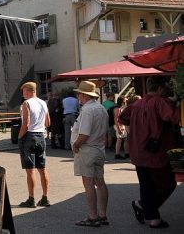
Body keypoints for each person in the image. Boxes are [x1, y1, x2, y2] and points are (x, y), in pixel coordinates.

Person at [118, 76, 180, 229]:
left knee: (146, 185)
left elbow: (122, 117)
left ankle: (152, 216)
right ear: (160, 88)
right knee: (168, 184)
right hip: (155, 153)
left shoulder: (138, 103)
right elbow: (175, 117)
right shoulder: (160, 102)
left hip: (138, 151)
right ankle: (147, 210)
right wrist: (173, 103)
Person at [71, 81, 109, 227]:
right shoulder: (101, 108)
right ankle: (103, 215)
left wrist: (76, 145)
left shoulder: (87, 110)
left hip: (87, 150)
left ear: (84, 95)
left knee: (88, 184)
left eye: (79, 93)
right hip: (98, 148)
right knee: (100, 182)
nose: (78, 96)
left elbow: (84, 134)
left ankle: (93, 216)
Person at [17, 81, 51, 208]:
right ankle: (45, 197)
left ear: (29, 91)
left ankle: (31, 199)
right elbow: (48, 123)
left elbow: (26, 124)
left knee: (30, 169)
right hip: (41, 136)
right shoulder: (43, 103)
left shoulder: (26, 103)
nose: (23, 94)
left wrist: (19, 137)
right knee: (42, 168)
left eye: (24, 91)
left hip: (29, 136)